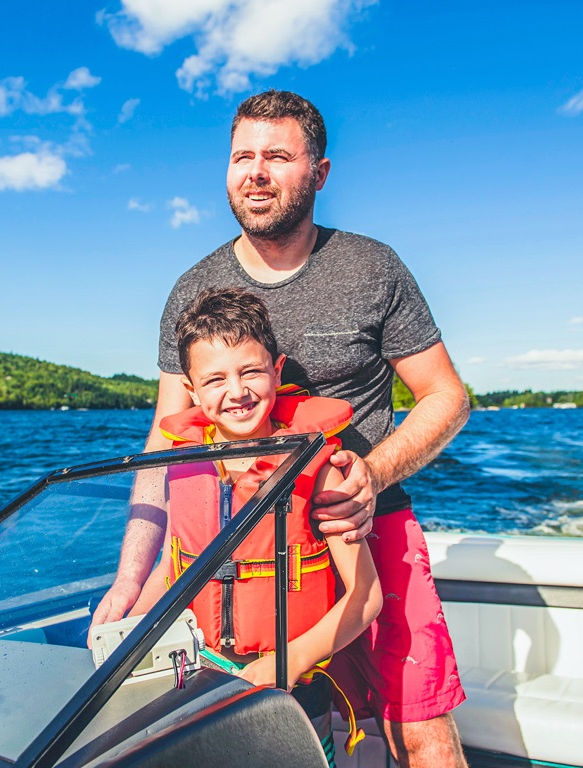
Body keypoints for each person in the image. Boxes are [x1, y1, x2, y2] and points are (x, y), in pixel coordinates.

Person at [91, 90, 471, 768]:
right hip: (235, 540)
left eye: (277, 156)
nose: (256, 171)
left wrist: (372, 476)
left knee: (420, 729)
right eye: (242, 156)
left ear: (319, 173)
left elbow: (446, 397)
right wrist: (131, 576)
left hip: (365, 522)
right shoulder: (192, 289)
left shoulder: (372, 269)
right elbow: (163, 441)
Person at [141, 286, 382, 766]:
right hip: (198, 682)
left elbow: (367, 595)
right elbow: (172, 568)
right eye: (215, 379)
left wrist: (289, 662)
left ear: (276, 370)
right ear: (191, 390)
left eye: (251, 371)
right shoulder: (184, 466)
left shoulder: (319, 467)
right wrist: (134, 631)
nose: (237, 391)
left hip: (290, 694)